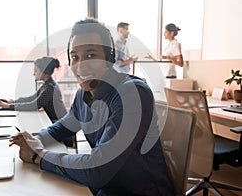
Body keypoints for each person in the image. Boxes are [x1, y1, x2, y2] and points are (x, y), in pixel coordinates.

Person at [9, 19, 174, 196]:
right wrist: (35, 139)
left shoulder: (133, 94)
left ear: (109, 58)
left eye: (90, 55)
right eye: (75, 57)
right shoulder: (83, 94)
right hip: (108, 188)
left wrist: (38, 156)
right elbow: (64, 126)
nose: (81, 65)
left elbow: (98, 169)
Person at [0, 57, 67, 123]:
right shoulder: (47, 84)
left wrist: (8, 106)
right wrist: (11, 101)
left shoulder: (50, 87)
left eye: (36, 71)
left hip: (61, 125)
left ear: (46, 73)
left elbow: (33, 105)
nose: (33, 74)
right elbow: (32, 98)